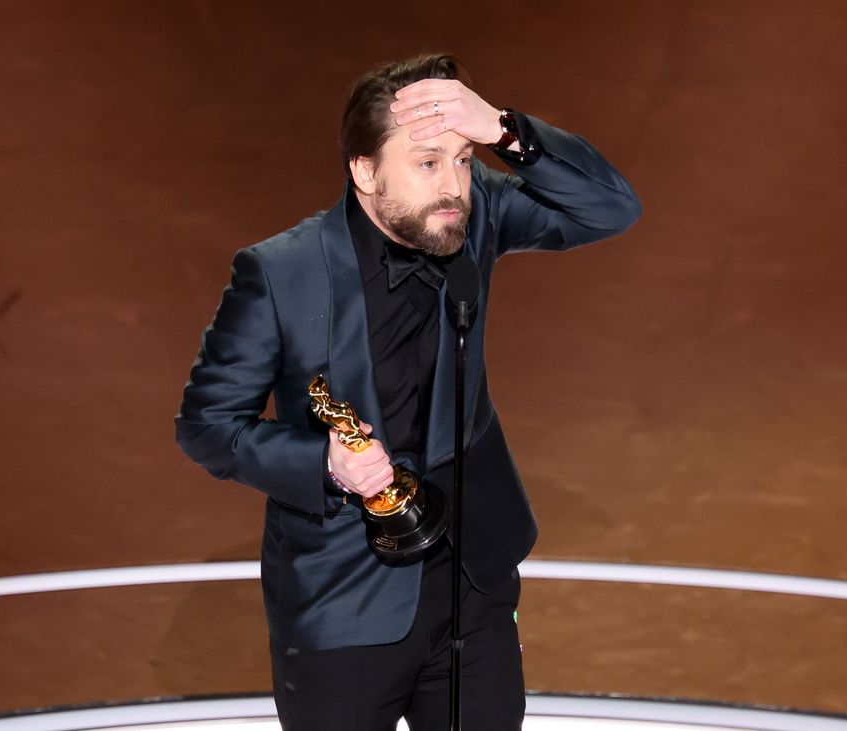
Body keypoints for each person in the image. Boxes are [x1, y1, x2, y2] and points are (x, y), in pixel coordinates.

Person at [175, 53, 641, 731]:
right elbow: (208, 423)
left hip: (470, 581)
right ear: (365, 171)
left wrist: (503, 129)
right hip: (344, 598)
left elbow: (613, 208)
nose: (454, 183)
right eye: (427, 163)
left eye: (461, 158)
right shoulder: (280, 274)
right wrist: (324, 464)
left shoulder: (470, 215)